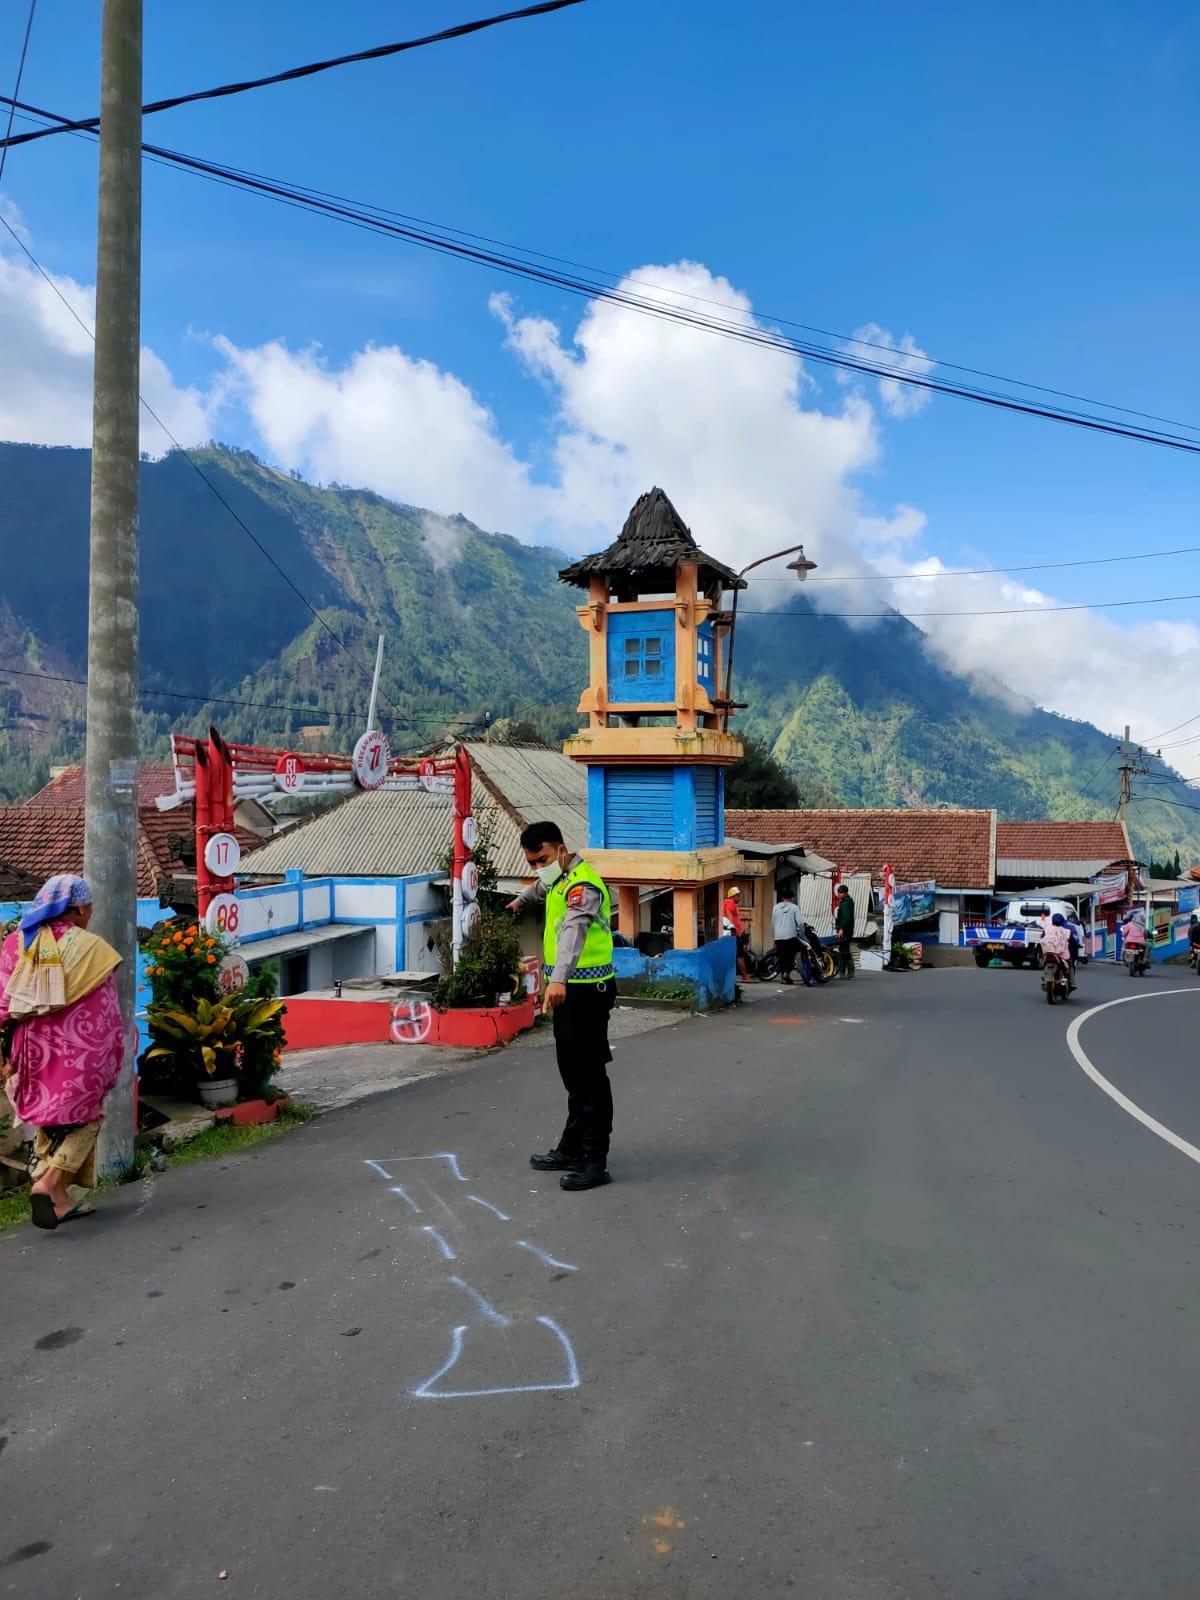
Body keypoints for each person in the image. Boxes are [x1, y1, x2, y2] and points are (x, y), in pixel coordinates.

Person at [0, 874, 124, 1230]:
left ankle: (59, 1200)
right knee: (86, 1119)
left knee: (47, 1118)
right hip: (79, 1052)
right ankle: (50, 1183)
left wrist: (8, 1056)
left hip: (29, 1051)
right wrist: (113, 1055)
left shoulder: (15, 943)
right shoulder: (90, 947)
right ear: (81, 909)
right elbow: (106, 1014)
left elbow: (3, 1005)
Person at [508, 822, 615, 1192]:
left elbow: (573, 931)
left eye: (543, 859)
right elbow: (542, 887)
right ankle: (572, 1149)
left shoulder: (582, 887)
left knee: (588, 1075)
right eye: (532, 862)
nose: (539, 868)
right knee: (573, 1073)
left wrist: (558, 980)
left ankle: (595, 1160)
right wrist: (521, 900)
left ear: (562, 850)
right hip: (570, 992)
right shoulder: (558, 878)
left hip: (587, 991)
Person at [771, 887, 805, 985]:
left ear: (782, 897)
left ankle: (784, 977)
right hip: (790, 936)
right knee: (791, 955)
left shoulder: (776, 907)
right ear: (792, 898)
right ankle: (786, 974)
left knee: (782, 957)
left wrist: (774, 936)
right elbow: (800, 923)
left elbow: (772, 924)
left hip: (778, 937)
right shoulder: (795, 908)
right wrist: (802, 934)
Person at [722, 884, 755, 982]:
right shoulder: (730, 902)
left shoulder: (729, 903)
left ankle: (735, 976)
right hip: (734, 935)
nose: (739, 898)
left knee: (736, 956)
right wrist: (735, 929)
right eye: (738, 895)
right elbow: (730, 916)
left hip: (734, 934)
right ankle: (745, 977)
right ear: (733, 896)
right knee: (740, 956)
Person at [1044, 913, 1076, 990]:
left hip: (1049, 954)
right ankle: (1072, 982)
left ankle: (1045, 979)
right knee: (1071, 966)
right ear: (1062, 922)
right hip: (1063, 956)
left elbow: (1042, 939)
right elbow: (1074, 943)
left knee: (1045, 964)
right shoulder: (1067, 931)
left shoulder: (1046, 929)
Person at [834, 883, 856, 979]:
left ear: (846, 893)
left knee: (845, 951)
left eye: (841, 893)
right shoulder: (847, 902)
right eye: (839, 892)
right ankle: (843, 972)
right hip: (847, 930)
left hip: (845, 930)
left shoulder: (845, 904)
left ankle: (850, 973)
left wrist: (841, 929)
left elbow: (846, 918)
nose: (839, 894)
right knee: (843, 951)